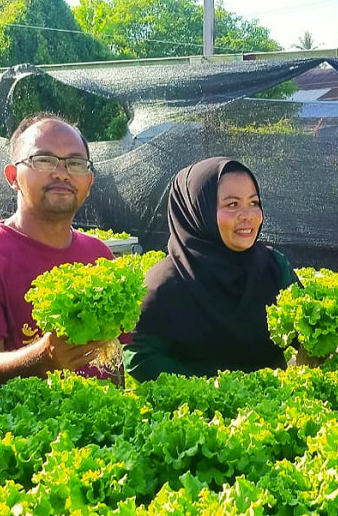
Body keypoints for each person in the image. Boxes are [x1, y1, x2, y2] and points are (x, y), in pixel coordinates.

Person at [0, 113, 116, 417]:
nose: (62, 173)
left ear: (89, 180)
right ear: (11, 176)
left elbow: (114, 358)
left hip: (101, 430)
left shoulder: (98, 255)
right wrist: (43, 356)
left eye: (75, 163)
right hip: (16, 441)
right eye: (44, 160)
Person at [124, 157, 299, 381]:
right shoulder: (165, 284)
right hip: (192, 413)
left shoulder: (274, 267)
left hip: (272, 409)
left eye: (253, 203)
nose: (247, 215)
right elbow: (140, 357)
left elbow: (306, 328)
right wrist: (211, 387)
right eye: (232, 204)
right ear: (197, 211)